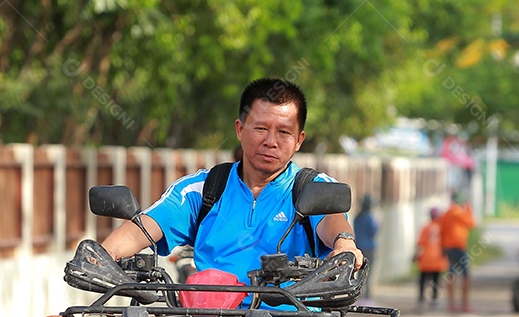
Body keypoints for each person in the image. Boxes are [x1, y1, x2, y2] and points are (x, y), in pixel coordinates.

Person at [99, 78, 363, 290]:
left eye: (283, 132)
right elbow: (144, 227)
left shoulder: (311, 187)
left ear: (299, 140)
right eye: (260, 129)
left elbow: (333, 220)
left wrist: (345, 244)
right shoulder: (202, 189)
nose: (271, 141)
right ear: (239, 129)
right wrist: (100, 257)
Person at [439, 193, 475, 313]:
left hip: (448, 247)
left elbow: (442, 231)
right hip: (459, 247)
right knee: (465, 275)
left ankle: (451, 304)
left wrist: (442, 248)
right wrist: (469, 208)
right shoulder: (462, 213)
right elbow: (472, 224)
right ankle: (464, 304)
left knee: (451, 274)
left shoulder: (446, 214)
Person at [414, 208, 447, 309]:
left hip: (426, 259)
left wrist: (415, 256)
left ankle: (421, 300)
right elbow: (445, 244)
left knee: (422, 280)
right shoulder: (442, 228)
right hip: (437, 258)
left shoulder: (426, 227)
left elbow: (420, 244)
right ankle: (434, 300)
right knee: (436, 281)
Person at [352, 195, 379, 301]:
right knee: (369, 271)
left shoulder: (357, 217)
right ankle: (367, 292)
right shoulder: (369, 217)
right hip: (370, 247)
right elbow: (373, 231)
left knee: (359, 271)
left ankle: (358, 291)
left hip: (359, 247)